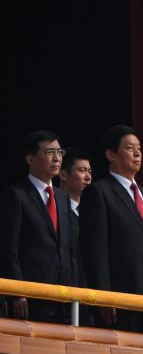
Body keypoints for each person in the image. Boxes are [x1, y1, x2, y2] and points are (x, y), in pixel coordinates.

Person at [80, 124, 143, 334]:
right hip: (120, 297)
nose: (137, 153)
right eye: (130, 148)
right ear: (111, 154)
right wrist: (104, 296)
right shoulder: (99, 192)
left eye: (139, 148)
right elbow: (95, 250)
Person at [0, 130, 77, 322]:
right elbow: (10, 249)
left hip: (64, 299)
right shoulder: (16, 196)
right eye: (50, 152)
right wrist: (17, 293)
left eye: (60, 152)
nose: (57, 158)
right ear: (31, 159)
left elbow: (68, 249)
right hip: (31, 299)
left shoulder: (62, 197)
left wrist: (74, 291)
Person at [59, 147, 94, 325]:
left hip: (90, 299)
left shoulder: (93, 214)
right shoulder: (55, 213)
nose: (88, 177)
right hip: (61, 297)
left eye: (89, 171)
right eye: (81, 170)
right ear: (63, 174)